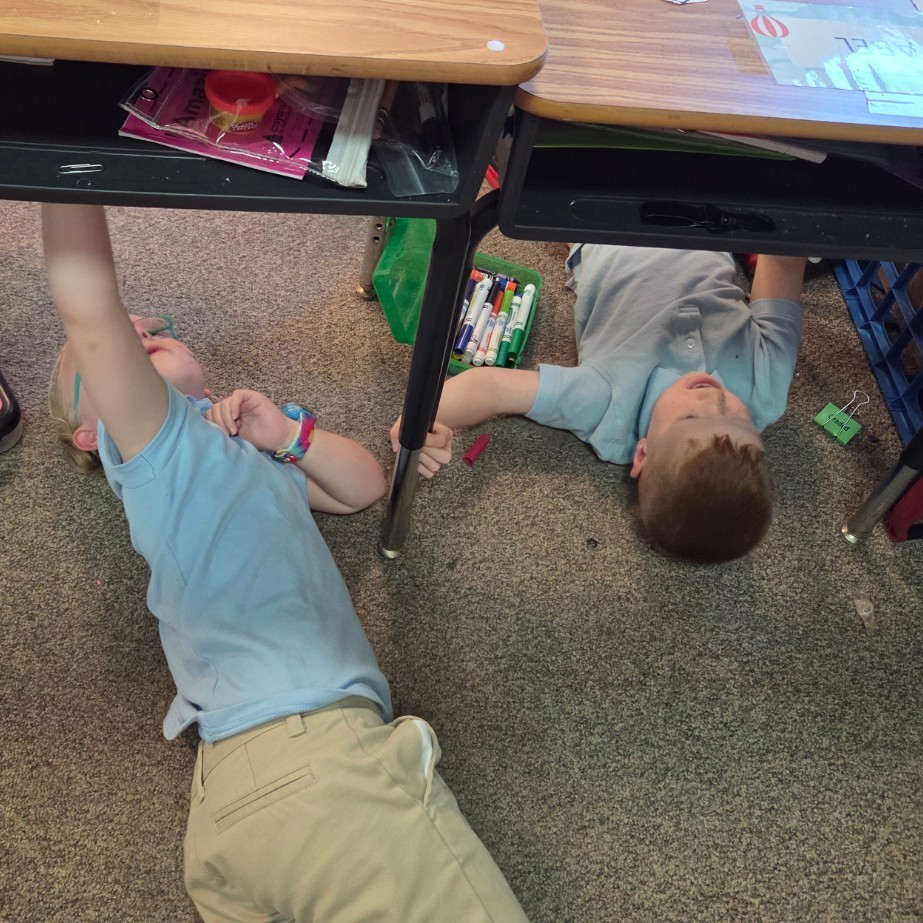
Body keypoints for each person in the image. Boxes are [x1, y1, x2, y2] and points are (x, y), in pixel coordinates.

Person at [43, 202, 528, 923]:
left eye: (155, 327)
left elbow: (362, 488)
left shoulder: (244, 455)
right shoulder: (158, 452)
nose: (140, 331)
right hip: (306, 758)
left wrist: (287, 437)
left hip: (237, 798)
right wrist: (67, 169)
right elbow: (89, 310)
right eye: (122, 343)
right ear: (93, 433)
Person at [392, 244, 807, 563]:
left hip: (610, 222)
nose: (713, 396)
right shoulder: (766, 392)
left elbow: (491, 389)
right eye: (738, 418)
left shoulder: (605, 406)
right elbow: (784, 262)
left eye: (689, 416)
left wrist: (417, 425)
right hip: (703, 214)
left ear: (642, 453)